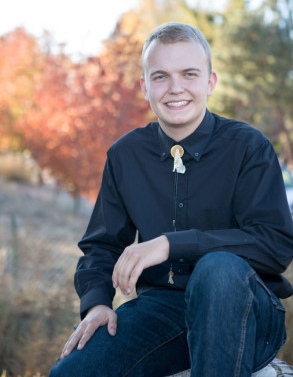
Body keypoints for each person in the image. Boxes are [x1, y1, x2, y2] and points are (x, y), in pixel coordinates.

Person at [49, 22, 293, 377]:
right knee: (71, 373)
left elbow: (275, 244)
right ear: (144, 86)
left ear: (210, 82)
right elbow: (101, 245)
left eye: (189, 74)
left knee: (218, 269)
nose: (175, 88)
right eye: (160, 76)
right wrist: (97, 303)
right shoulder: (124, 156)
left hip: (246, 311)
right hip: (163, 312)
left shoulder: (248, 148)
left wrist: (170, 244)